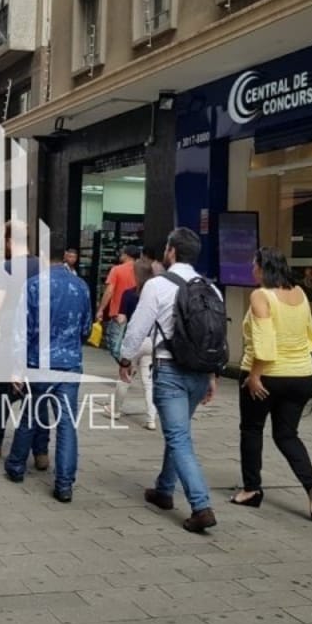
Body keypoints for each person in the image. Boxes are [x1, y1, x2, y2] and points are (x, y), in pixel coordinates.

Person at [120, 228, 221, 533]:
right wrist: (212, 376)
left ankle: (201, 505)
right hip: (200, 373)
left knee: (179, 438)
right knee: (179, 433)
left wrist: (126, 358)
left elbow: (138, 328)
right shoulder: (210, 288)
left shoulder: (157, 285)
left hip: (170, 370)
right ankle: (164, 490)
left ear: (172, 251)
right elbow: (213, 335)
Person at [231, 247, 312, 522]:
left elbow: (264, 343)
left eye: (254, 265)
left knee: (251, 430)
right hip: (302, 375)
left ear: (263, 268)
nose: (252, 270)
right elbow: (310, 335)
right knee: (286, 435)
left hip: (268, 375)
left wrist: (255, 376)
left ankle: (251, 489)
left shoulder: (261, 295)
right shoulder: (299, 293)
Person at [4, 253, 92, 502]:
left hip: (39, 362)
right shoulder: (81, 286)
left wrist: (17, 368)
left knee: (31, 414)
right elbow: (86, 327)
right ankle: (64, 484)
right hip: (69, 363)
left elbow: (22, 330)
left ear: (44, 259)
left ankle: (16, 466)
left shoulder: (32, 285)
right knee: (67, 424)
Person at [0, 221, 42, 462]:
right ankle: (40, 451)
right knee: (37, 395)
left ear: (9, 241)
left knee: (3, 392)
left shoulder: (6, 267)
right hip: (37, 340)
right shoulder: (42, 265)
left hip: (10, 336)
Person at [114, 258, 159, 430]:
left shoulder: (128, 294)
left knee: (125, 377)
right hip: (152, 341)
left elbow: (122, 318)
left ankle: (116, 410)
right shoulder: (156, 295)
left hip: (135, 341)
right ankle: (151, 419)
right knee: (149, 382)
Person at [96, 245, 142, 358]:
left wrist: (101, 309)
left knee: (114, 345)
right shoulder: (142, 271)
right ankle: (128, 365)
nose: (120, 255)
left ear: (127, 255)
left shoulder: (117, 270)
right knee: (131, 343)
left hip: (118, 313)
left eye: (122, 253)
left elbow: (109, 291)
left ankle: (125, 366)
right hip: (137, 313)